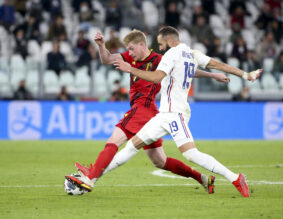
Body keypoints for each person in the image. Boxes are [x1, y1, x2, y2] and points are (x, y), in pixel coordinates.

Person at [66, 29, 230, 194]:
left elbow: (186, 71)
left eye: (131, 48)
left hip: (142, 108)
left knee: (114, 140)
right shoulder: (131, 57)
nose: (129, 52)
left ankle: (90, 179)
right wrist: (101, 46)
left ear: (142, 45)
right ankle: (202, 178)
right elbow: (107, 59)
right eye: (128, 49)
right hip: (151, 113)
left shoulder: (160, 60)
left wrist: (212, 75)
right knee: (160, 161)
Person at [108, 26, 261, 197]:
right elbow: (219, 65)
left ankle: (235, 178)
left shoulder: (171, 54)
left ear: (171, 41)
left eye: (161, 44)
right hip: (164, 115)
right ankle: (91, 177)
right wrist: (245, 75)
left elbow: (157, 77)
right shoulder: (192, 54)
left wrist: (130, 69)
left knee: (191, 154)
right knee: (132, 146)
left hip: (175, 113)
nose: (159, 48)